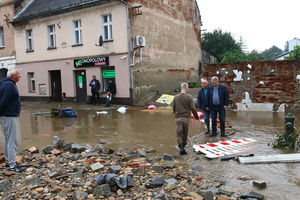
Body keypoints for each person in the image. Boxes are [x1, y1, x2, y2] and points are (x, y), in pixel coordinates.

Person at [0, 69, 24, 172]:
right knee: (12, 140)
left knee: (7, 139)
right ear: (13, 76)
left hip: (6, 115)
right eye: (18, 74)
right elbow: (4, 101)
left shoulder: (6, 84)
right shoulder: (9, 85)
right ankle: (12, 165)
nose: (20, 76)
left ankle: (8, 161)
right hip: (8, 115)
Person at [172, 82, 199, 155]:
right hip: (186, 118)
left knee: (179, 133)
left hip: (178, 118)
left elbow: (173, 108)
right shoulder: (189, 97)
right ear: (186, 88)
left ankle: (181, 147)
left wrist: (176, 114)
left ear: (181, 88)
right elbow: (193, 108)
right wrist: (196, 117)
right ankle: (183, 146)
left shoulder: (175, 97)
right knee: (185, 132)